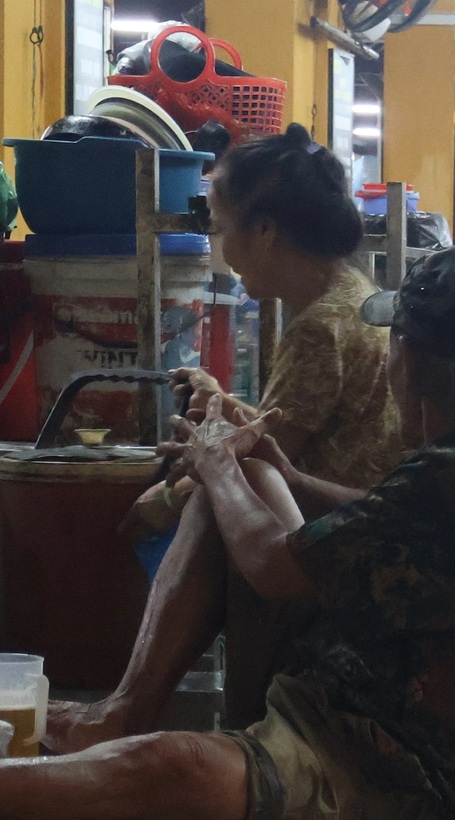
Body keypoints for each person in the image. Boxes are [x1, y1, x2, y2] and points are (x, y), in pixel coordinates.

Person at [0, 250, 455, 820]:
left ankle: (112, 729)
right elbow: (373, 521)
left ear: (409, 364)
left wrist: (214, 466)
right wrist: (278, 473)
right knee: (238, 483)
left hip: (398, 779)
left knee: (167, 764)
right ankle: (122, 713)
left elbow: (272, 566)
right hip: (362, 732)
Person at [47, 123, 406, 754]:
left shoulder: (320, 328)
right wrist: (224, 403)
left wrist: (164, 498)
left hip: (335, 544)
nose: (222, 248)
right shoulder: (353, 298)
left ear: (265, 230)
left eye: (221, 227)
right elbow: (285, 429)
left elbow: (263, 460)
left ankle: (133, 710)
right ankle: (130, 711)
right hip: (348, 521)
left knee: (203, 506)